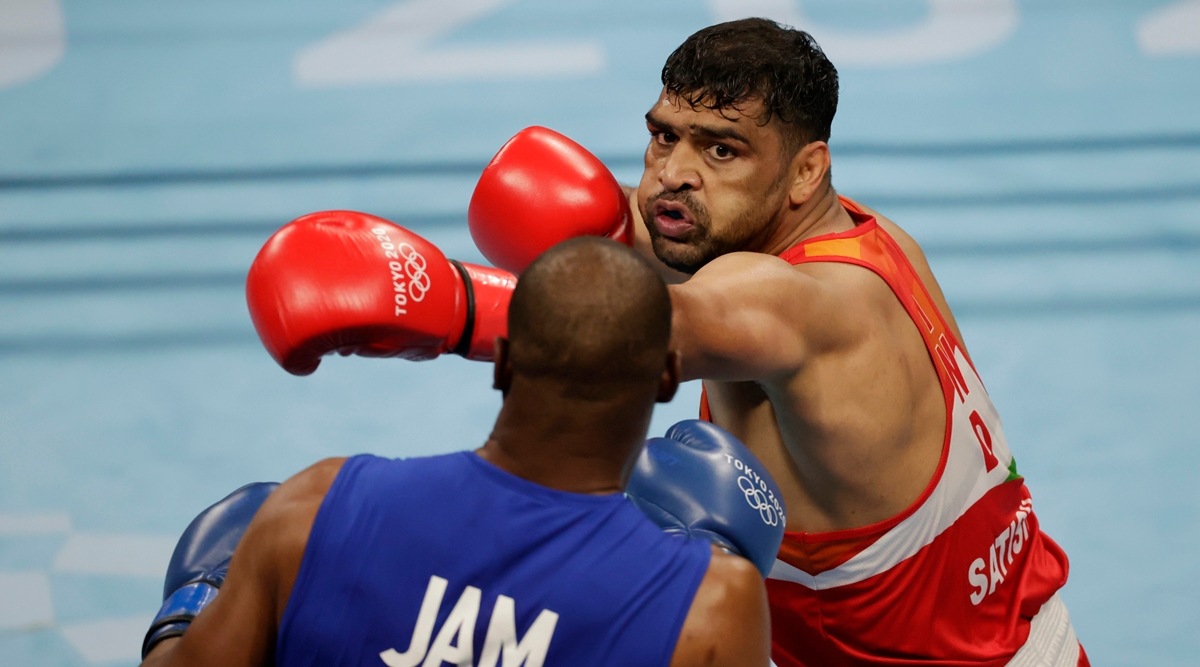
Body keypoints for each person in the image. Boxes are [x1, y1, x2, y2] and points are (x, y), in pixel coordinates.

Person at [462, 17, 1088, 667]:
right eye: (663, 136)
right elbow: (646, 240)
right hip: (1022, 637)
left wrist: (420, 293)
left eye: (721, 151)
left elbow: (597, 326)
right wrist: (578, 216)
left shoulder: (789, 303)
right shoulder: (874, 240)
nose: (673, 172)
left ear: (805, 171)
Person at [141, 236, 776, 667]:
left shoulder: (311, 510)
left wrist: (188, 611)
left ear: (500, 361)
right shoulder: (709, 607)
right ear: (668, 378)